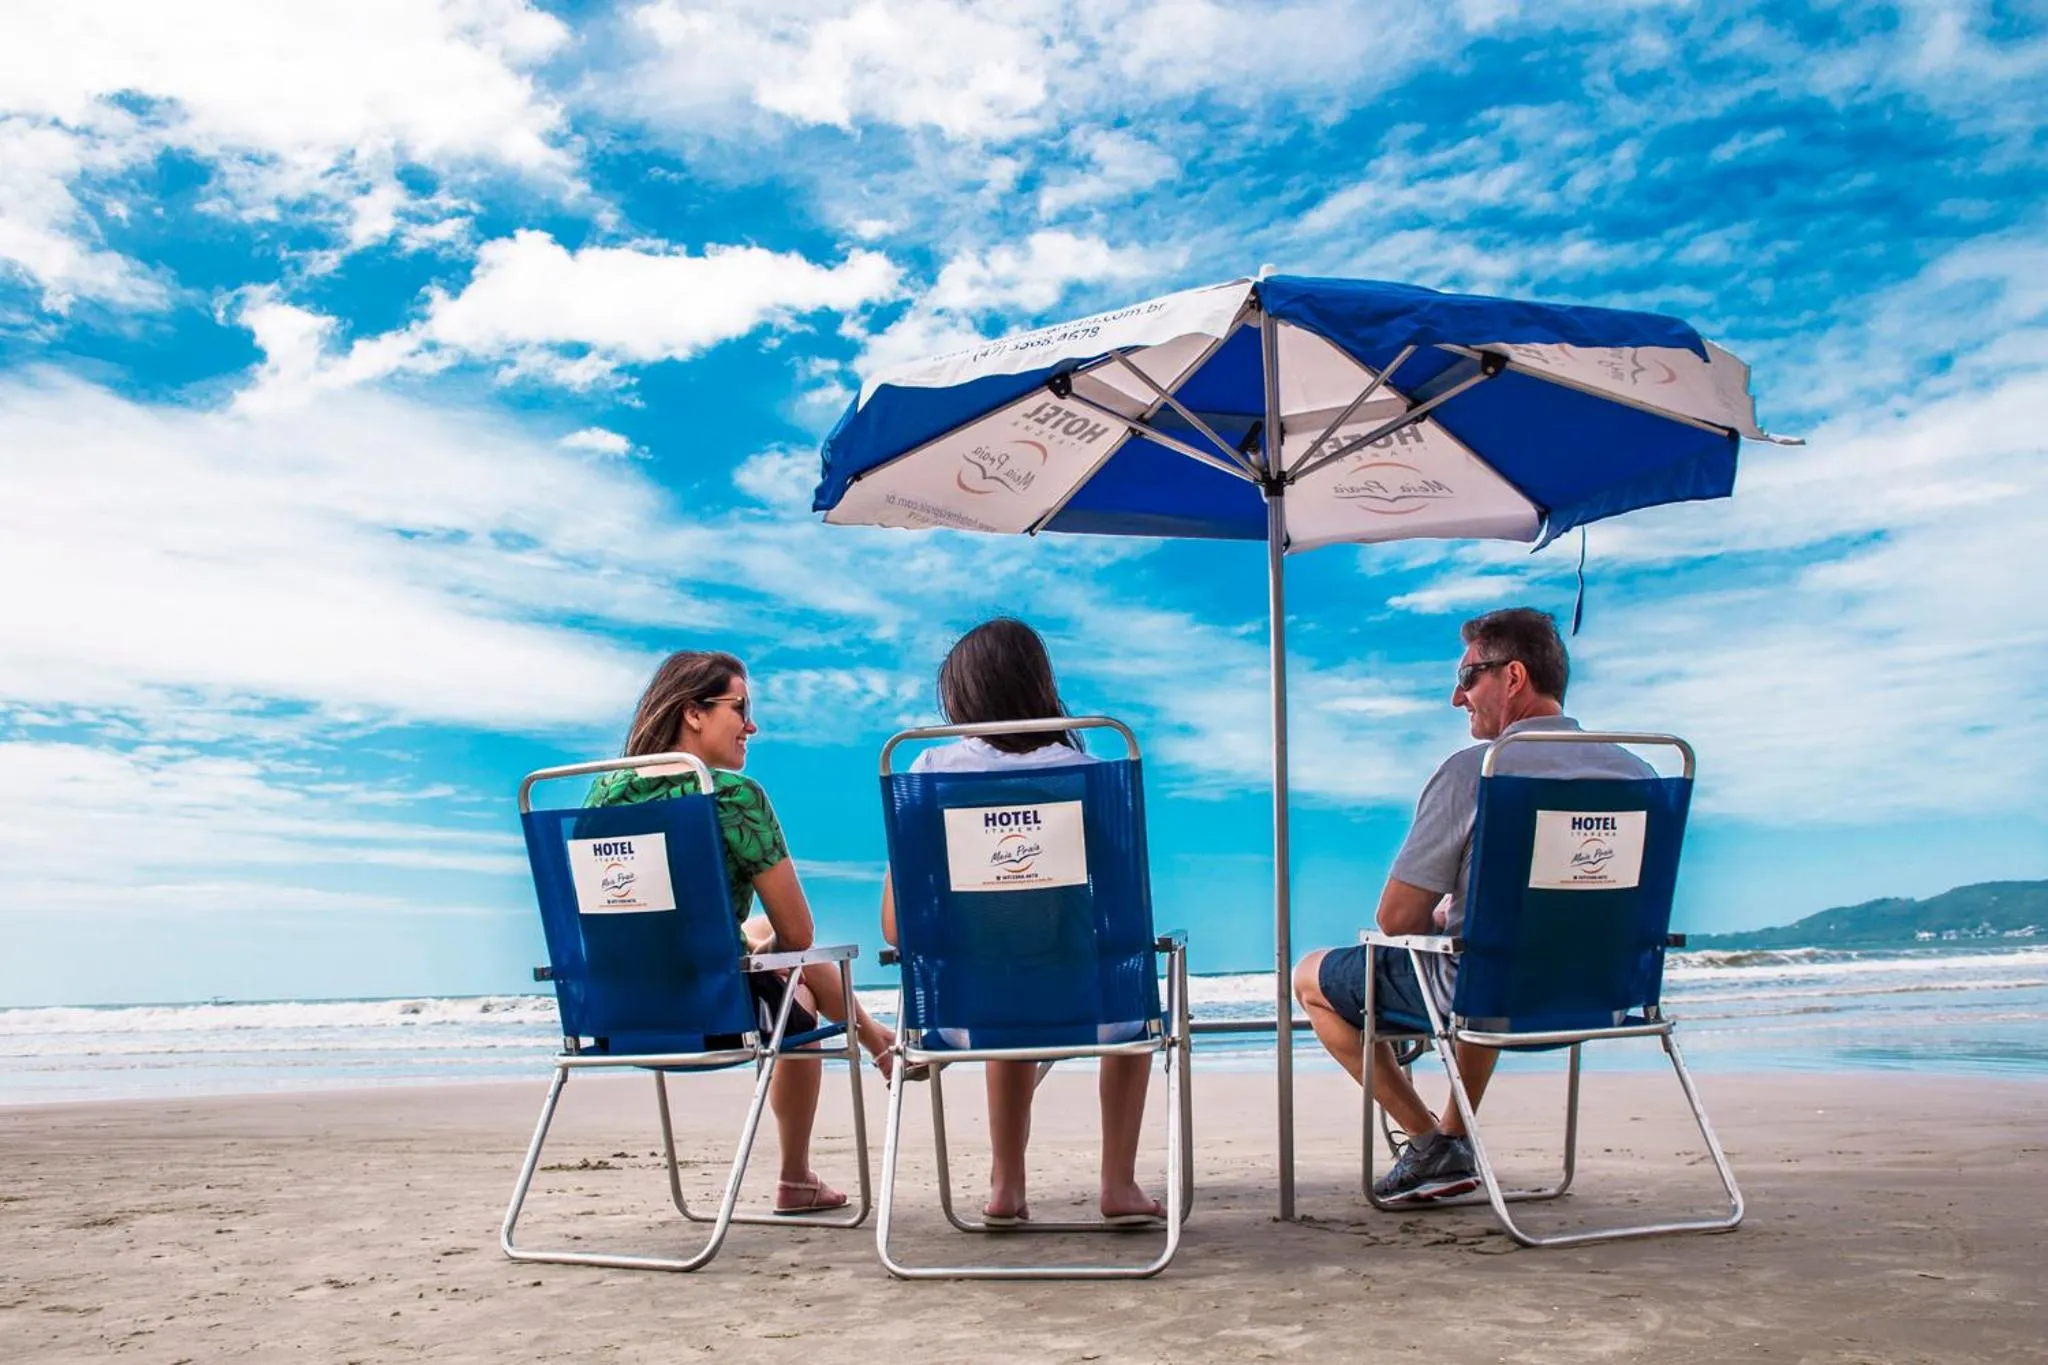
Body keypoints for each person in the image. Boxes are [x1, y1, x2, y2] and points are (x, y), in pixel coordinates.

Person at [1292, 608, 1654, 1205]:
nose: (1456, 697)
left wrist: (1439, 919)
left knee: (1310, 978)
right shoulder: (1637, 772)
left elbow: (1396, 920)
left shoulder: (1478, 773)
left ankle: (1428, 1141)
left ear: (1513, 677)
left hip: (1486, 996)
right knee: (1483, 947)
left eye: (1466, 678)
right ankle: (1452, 1136)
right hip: (1604, 995)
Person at [586, 648, 896, 1215]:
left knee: (762, 935)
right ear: (693, 713)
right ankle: (801, 1168)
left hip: (621, 1011)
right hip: (710, 1011)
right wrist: (770, 949)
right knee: (798, 981)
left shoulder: (601, 795)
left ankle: (876, 1042)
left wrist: (754, 944)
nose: (752, 726)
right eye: (741, 709)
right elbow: (799, 933)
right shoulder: (733, 797)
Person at [879, 617, 1165, 1227]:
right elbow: (1125, 915)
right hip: (1087, 1007)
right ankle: (1118, 1185)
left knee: (1003, 997)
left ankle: (1005, 1188)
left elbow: (897, 930)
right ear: (1040, 685)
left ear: (963, 696)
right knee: (1135, 1006)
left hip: (963, 1015)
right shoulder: (1087, 773)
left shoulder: (928, 770)